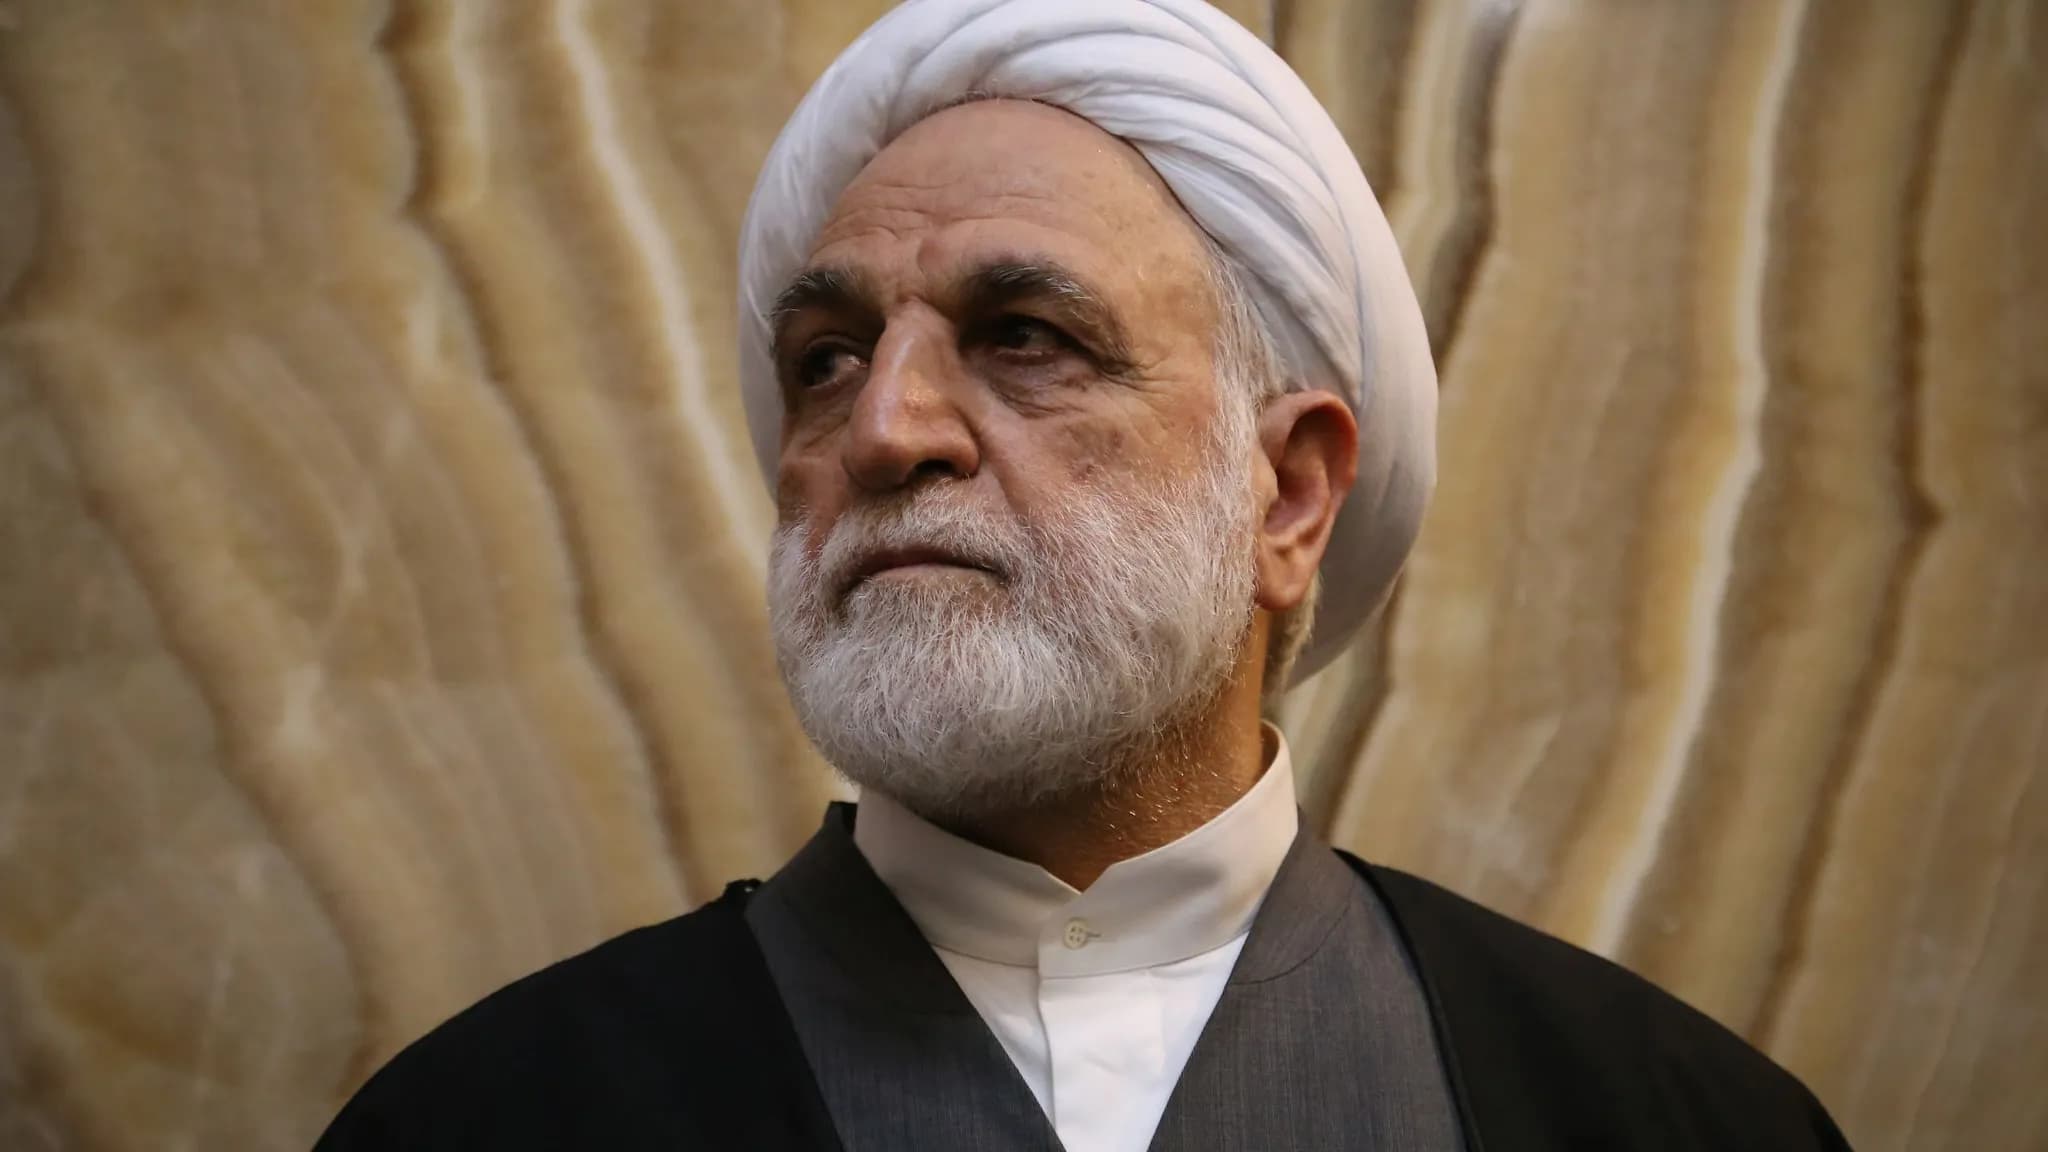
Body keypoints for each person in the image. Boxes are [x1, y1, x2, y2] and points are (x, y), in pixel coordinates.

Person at [316, 1, 1852, 1148]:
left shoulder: (1659, 1114)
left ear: (1289, 496)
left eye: (1025, 338)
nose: (883, 428)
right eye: (828, 357)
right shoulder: (484, 1118)